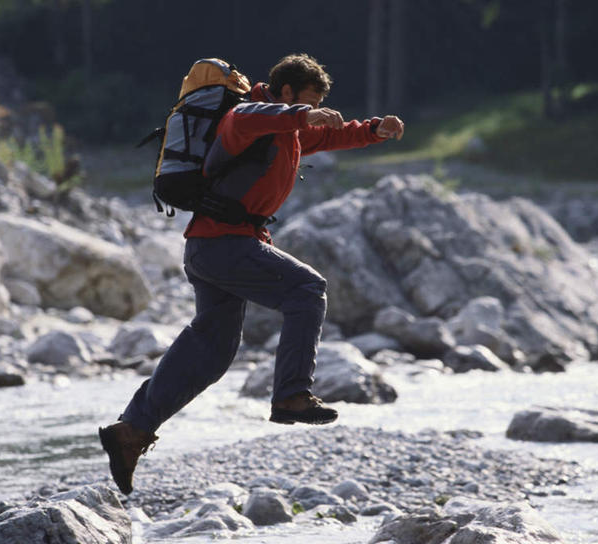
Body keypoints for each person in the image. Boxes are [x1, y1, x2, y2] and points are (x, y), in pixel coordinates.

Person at [99, 54, 404, 495]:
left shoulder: (287, 132)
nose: (314, 111)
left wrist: (374, 130)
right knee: (307, 288)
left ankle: (131, 431)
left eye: (317, 104)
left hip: (219, 246)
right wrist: (302, 114)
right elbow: (251, 114)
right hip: (223, 245)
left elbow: (329, 134)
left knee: (214, 349)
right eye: (309, 101)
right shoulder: (245, 119)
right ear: (284, 93)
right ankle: (290, 396)